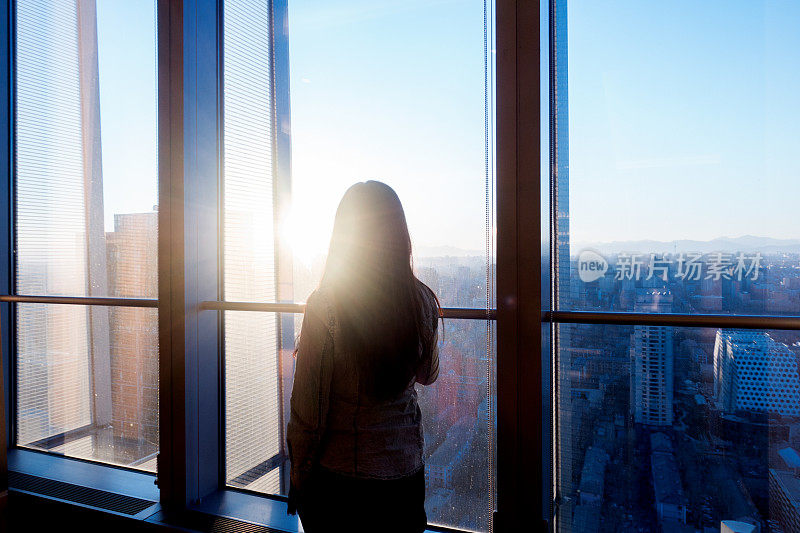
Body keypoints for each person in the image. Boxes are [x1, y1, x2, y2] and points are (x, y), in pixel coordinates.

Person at [286, 180, 442, 533]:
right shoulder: (420, 300)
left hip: (341, 481)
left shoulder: (325, 306)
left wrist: (299, 473)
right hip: (404, 475)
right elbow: (428, 374)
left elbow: (307, 411)